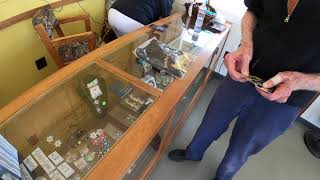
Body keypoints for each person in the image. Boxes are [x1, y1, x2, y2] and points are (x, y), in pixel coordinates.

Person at [168, 0, 320, 179]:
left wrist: (298, 81)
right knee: (211, 120)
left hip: (286, 99)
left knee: (244, 146)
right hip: (244, 73)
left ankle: (223, 176)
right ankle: (192, 153)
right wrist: (245, 44)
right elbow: (253, 11)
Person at [108, 0, 174, 37]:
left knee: (120, 44)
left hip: (113, 12)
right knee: (137, 50)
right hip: (132, 21)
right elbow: (165, 20)